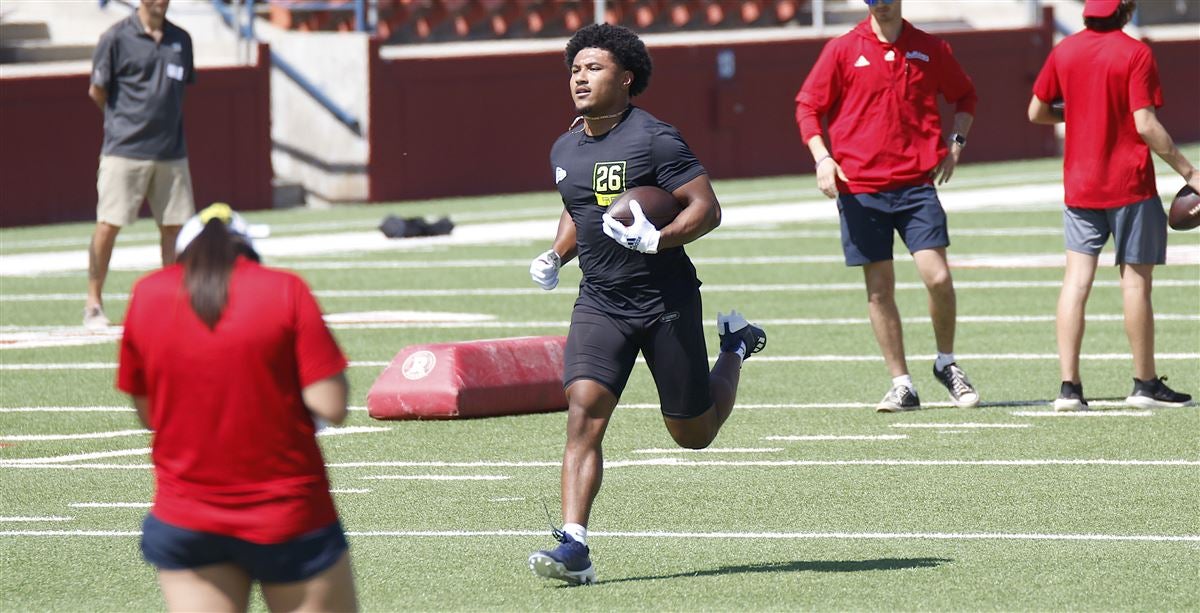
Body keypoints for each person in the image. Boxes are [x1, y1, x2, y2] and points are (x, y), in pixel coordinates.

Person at [525, 23, 767, 585]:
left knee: (693, 433)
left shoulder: (656, 138)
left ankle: (734, 346)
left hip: (665, 301)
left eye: (594, 68)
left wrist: (659, 239)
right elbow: (578, 207)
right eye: (575, 69)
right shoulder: (565, 145)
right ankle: (574, 546)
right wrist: (556, 255)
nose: (580, 78)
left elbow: (706, 208)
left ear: (626, 77)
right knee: (583, 410)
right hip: (601, 301)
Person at [117, 203, 358, 612]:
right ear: (247, 248)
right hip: (288, 513)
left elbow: (150, 415)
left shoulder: (148, 293)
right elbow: (330, 404)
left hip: (187, 516)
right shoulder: (284, 288)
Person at [794, 0, 980, 413]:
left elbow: (965, 95)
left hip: (917, 186)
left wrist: (956, 145)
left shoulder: (929, 47)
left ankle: (946, 362)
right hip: (860, 189)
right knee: (879, 290)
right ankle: (901, 384)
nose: (880, 4)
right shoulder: (842, 49)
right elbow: (808, 107)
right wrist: (823, 158)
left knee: (938, 278)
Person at [1028, 0, 1196, 411]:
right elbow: (1145, 123)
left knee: (1075, 282)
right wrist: (1190, 173)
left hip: (1080, 186)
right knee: (1135, 284)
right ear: (1125, 10)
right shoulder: (1135, 53)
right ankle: (1145, 384)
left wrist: (1082, 113)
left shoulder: (1063, 50)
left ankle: (1069, 388)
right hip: (1128, 184)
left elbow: (1037, 112)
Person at [85, 0, 196, 330]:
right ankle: (93, 302)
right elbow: (97, 91)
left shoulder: (182, 39)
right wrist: (125, 123)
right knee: (108, 224)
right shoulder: (115, 38)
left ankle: (173, 304)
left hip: (171, 151)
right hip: (125, 149)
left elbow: (179, 91)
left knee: (175, 228)